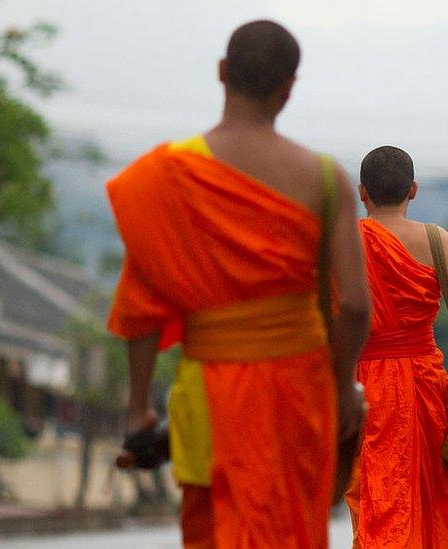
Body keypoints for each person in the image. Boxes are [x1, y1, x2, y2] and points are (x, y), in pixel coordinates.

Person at [107, 20, 371, 548]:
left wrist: (139, 407)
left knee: (212, 532)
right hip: (295, 395)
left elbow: (141, 308)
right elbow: (357, 306)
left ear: (222, 72)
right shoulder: (322, 177)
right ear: (289, 88)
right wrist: (341, 387)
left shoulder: (166, 176)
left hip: (207, 392)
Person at [344, 146, 448, 548]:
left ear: (362, 192)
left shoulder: (348, 242)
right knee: (425, 484)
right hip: (424, 381)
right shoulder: (434, 239)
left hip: (365, 380)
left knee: (377, 484)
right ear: (413, 190)